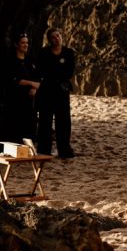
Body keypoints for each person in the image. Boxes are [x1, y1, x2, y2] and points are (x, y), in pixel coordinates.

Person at [35, 27, 76, 158]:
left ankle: (64, 149)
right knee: (45, 120)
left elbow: (69, 71)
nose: (56, 39)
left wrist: (56, 76)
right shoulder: (44, 53)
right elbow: (41, 70)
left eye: (58, 36)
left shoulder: (68, 53)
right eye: (53, 37)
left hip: (62, 90)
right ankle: (44, 149)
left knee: (63, 120)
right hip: (46, 90)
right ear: (49, 40)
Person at [2, 33, 40, 143]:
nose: (26, 45)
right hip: (15, 98)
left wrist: (34, 88)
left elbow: (38, 78)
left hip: (29, 99)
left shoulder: (30, 60)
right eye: (23, 43)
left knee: (30, 124)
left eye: (27, 43)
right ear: (16, 45)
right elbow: (13, 79)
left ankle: (28, 147)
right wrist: (32, 83)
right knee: (15, 124)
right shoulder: (10, 60)